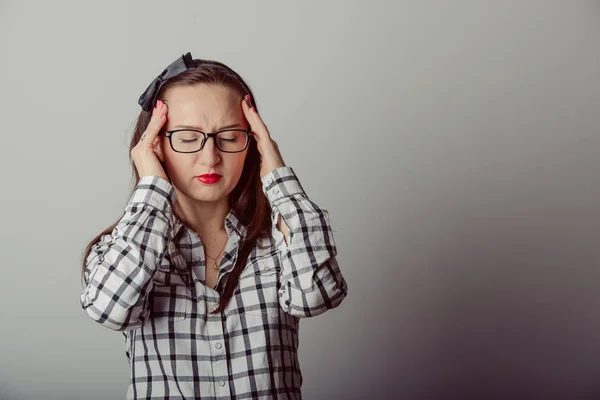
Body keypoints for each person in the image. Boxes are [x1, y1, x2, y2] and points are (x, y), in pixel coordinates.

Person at [79, 52, 348, 399]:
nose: (210, 158)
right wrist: (151, 190)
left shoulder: (280, 241)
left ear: (253, 143)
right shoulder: (124, 247)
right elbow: (109, 307)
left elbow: (317, 296)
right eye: (188, 138)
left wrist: (278, 176)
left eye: (230, 137)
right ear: (155, 145)